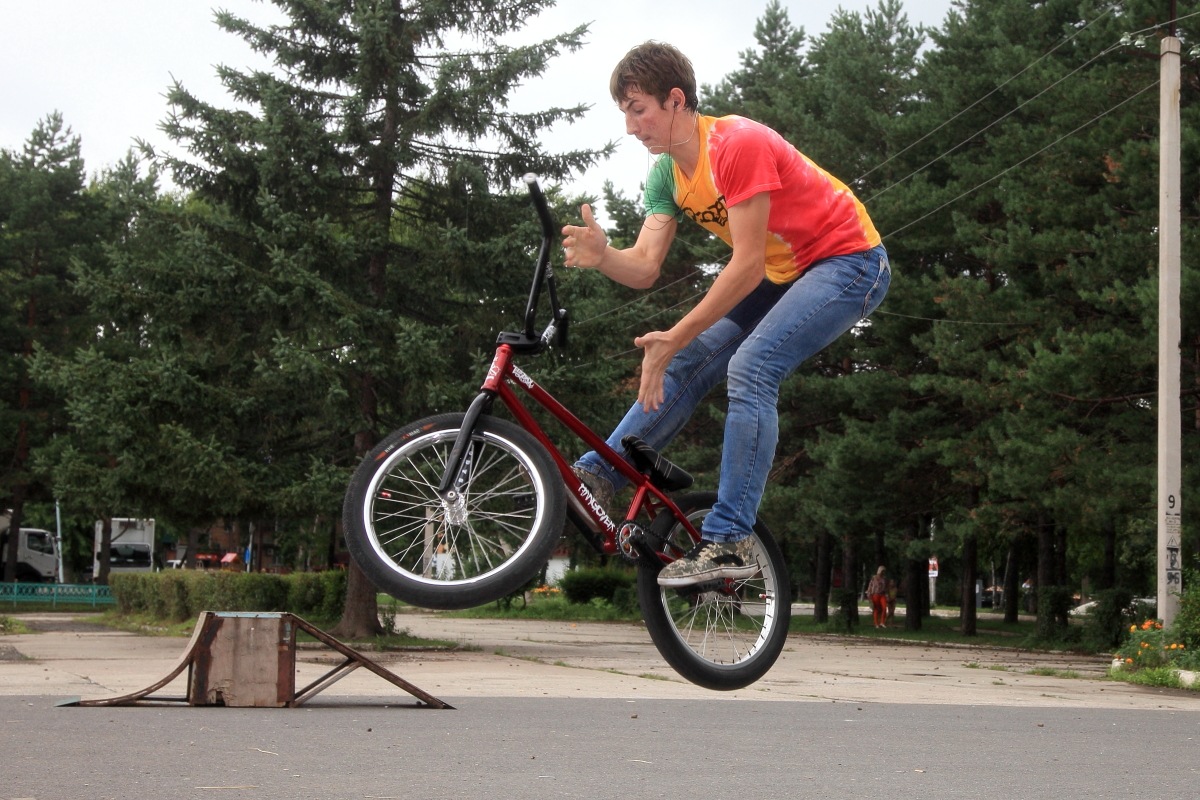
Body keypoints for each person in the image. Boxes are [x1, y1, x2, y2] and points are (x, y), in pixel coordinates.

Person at [561, 42, 891, 587]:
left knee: (751, 367)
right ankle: (595, 476)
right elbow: (644, 266)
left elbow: (745, 266)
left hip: (849, 260)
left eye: (637, 110)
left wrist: (672, 335)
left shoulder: (736, 144)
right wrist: (603, 258)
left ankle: (729, 540)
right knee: (690, 360)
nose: (630, 127)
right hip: (787, 271)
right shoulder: (666, 175)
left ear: (675, 100)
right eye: (623, 113)